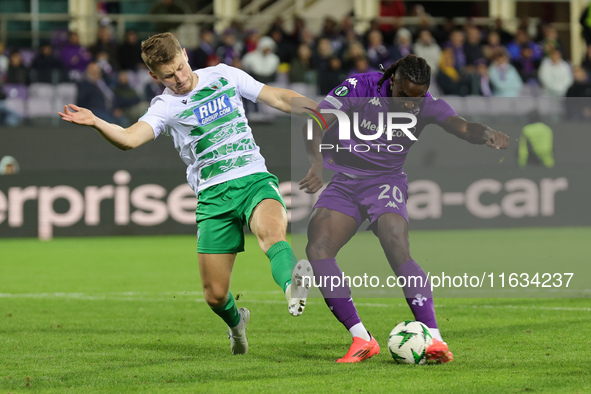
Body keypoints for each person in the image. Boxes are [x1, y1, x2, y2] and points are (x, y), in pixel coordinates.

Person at [58, 32, 316, 356]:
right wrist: (97, 121)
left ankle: (293, 286)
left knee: (272, 233)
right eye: (168, 75)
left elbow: (278, 98)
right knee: (215, 295)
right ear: (154, 76)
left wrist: (321, 110)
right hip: (213, 198)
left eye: (180, 67)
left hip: (252, 178)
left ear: (184, 54)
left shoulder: (224, 75)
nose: (179, 78)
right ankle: (237, 323)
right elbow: (128, 138)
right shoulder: (164, 107)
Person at [299, 54, 509, 363]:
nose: (411, 105)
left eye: (418, 99)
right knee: (318, 249)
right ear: (392, 81)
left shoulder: (427, 104)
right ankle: (361, 338)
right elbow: (315, 123)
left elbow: (462, 127)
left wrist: (486, 133)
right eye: (404, 96)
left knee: (396, 244)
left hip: (385, 182)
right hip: (345, 182)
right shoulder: (361, 86)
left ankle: (435, 339)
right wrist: (317, 163)